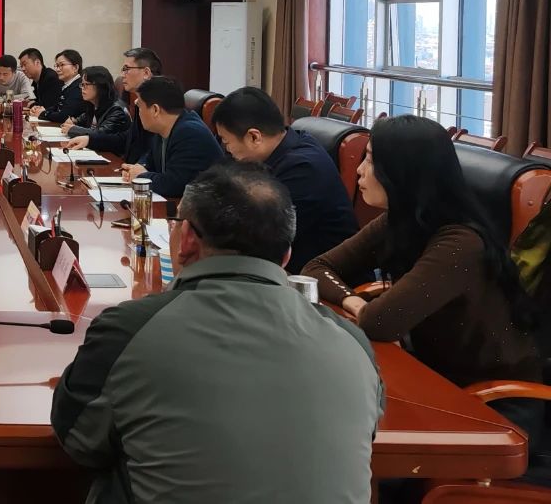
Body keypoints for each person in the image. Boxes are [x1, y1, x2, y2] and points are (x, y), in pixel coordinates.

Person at [52, 162, 383, 504]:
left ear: (187, 239)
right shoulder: (353, 342)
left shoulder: (129, 330)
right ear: (286, 256)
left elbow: (78, 439)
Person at [303, 116, 542, 397]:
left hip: (493, 398)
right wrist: (356, 302)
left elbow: (379, 322)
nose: (359, 170)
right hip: (432, 373)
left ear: (403, 172)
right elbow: (316, 268)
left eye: (370, 160)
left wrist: (368, 311)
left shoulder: (461, 243)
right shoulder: (403, 220)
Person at [211, 87, 358, 274]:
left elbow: (254, 233)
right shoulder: (282, 146)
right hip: (283, 268)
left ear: (254, 137)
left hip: (323, 279)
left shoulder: (303, 169)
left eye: (226, 141)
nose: (227, 149)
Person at [121, 76, 223, 201]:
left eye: (140, 106)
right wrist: (136, 168)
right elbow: (149, 159)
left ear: (155, 110)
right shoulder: (163, 129)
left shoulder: (189, 132)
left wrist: (141, 175)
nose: (139, 112)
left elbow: (174, 184)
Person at [62, 66, 132, 155]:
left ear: (100, 86)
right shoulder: (93, 104)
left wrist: (73, 129)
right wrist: (73, 121)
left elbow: (101, 135)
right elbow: (81, 119)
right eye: (82, 84)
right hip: (97, 152)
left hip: (113, 157)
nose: (82, 88)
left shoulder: (117, 110)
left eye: (86, 84)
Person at [117, 47, 162, 163]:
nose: (122, 75)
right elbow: (130, 138)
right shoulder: (141, 101)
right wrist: (90, 139)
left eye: (126, 69)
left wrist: (141, 166)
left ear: (146, 73)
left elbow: (154, 149)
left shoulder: (158, 105)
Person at [30, 49, 91, 124]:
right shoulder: (67, 85)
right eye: (57, 66)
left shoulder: (79, 86)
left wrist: (43, 113)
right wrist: (41, 110)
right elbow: (57, 106)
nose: (57, 69)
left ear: (75, 67)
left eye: (62, 65)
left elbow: (64, 116)